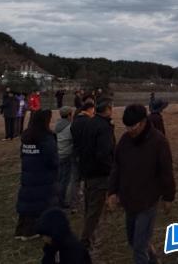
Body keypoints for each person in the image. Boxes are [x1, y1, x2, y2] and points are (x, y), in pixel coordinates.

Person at [107, 104, 175, 264]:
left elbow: (166, 171)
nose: (130, 130)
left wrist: (168, 197)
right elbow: (117, 167)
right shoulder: (125, 141)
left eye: (134, 126)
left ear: (144, 122)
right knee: (133, 240)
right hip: (129, 199)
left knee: (139, 247)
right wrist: (112, 192)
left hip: (148, 201)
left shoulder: (159, 141)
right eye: (127, 127)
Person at [15, 109, 59, 240]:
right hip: (43, 174)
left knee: (28, 199)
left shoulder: (27, 137)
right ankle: (30, 231)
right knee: (40, 202)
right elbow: (52, 159)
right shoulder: (46, 138)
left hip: (29, 172)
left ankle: (20, 229)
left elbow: (22, 155)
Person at [78, 99, 115, 250]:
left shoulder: (90, 123)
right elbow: (103, 153)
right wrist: (111, 170)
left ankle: (89, 236)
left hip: (87, 171)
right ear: (107, 110)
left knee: (89, 206)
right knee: (95, 209)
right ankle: (85, 240)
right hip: (99, 174)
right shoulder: (104, 127)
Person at [55, 106, 74, 209]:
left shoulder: (58, 124)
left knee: (59, 177)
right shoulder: (69, 127)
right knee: (65, 179)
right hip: (66, 154)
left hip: (58, 153)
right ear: (69, 115)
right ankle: (61, 200)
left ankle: (57, 198)